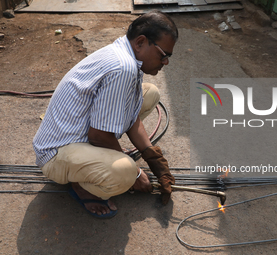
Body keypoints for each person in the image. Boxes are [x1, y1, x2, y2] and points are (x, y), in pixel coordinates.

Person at [33, 10, 178, 218]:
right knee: (125, 171)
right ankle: (81, 185)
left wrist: (155, 160)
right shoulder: (123, 68)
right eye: (163, 55)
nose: (165, 62)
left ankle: (98, 159)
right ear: (140, 42)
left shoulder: (125, 54)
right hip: (55, 153)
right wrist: (137, 175)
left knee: (150, 93)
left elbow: (131, 115)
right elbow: (98, 136)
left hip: (79, 134)